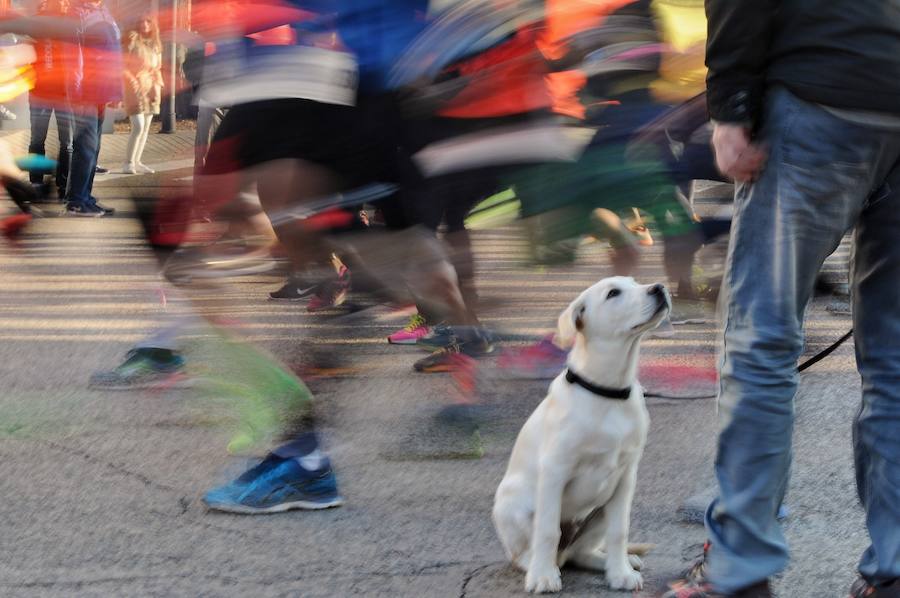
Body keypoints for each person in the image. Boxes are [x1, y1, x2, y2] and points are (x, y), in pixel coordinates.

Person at [663, 1, 900, 597]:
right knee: (896, 361)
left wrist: (731, 105)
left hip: (819, 98)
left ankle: (739, 568)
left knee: (760, 342)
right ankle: (894, 568)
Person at [27, 0, 75, 200]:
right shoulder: (37, 24)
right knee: (38, 140)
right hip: (40, 93)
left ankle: (63, 186)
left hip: (65, 94)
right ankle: (36, 182)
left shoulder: (71, 26)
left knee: (67, 143)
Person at [120, 13, 162, 174]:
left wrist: (158, 84)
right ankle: (128, 162)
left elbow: (157, 67)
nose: (144, 23)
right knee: (138, 126)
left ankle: (137, 161)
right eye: (141, 21)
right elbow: (122, 64)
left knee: (146, 128)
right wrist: (131, 80)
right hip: (135, 86)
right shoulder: (132, 40)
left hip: (151, 86)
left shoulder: (155, 43)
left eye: (147, 21)